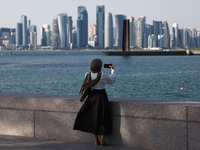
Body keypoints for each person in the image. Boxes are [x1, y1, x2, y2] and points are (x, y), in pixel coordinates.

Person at [73, 58, 116, 146]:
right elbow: (112, 81)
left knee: (93, 118)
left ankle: (96, 140)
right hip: (101, 96)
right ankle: (103, 140)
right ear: (100, 66)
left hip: (92, 97)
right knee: (104, 117)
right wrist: (112, 70)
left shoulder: (87, 75)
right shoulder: (102, 75)